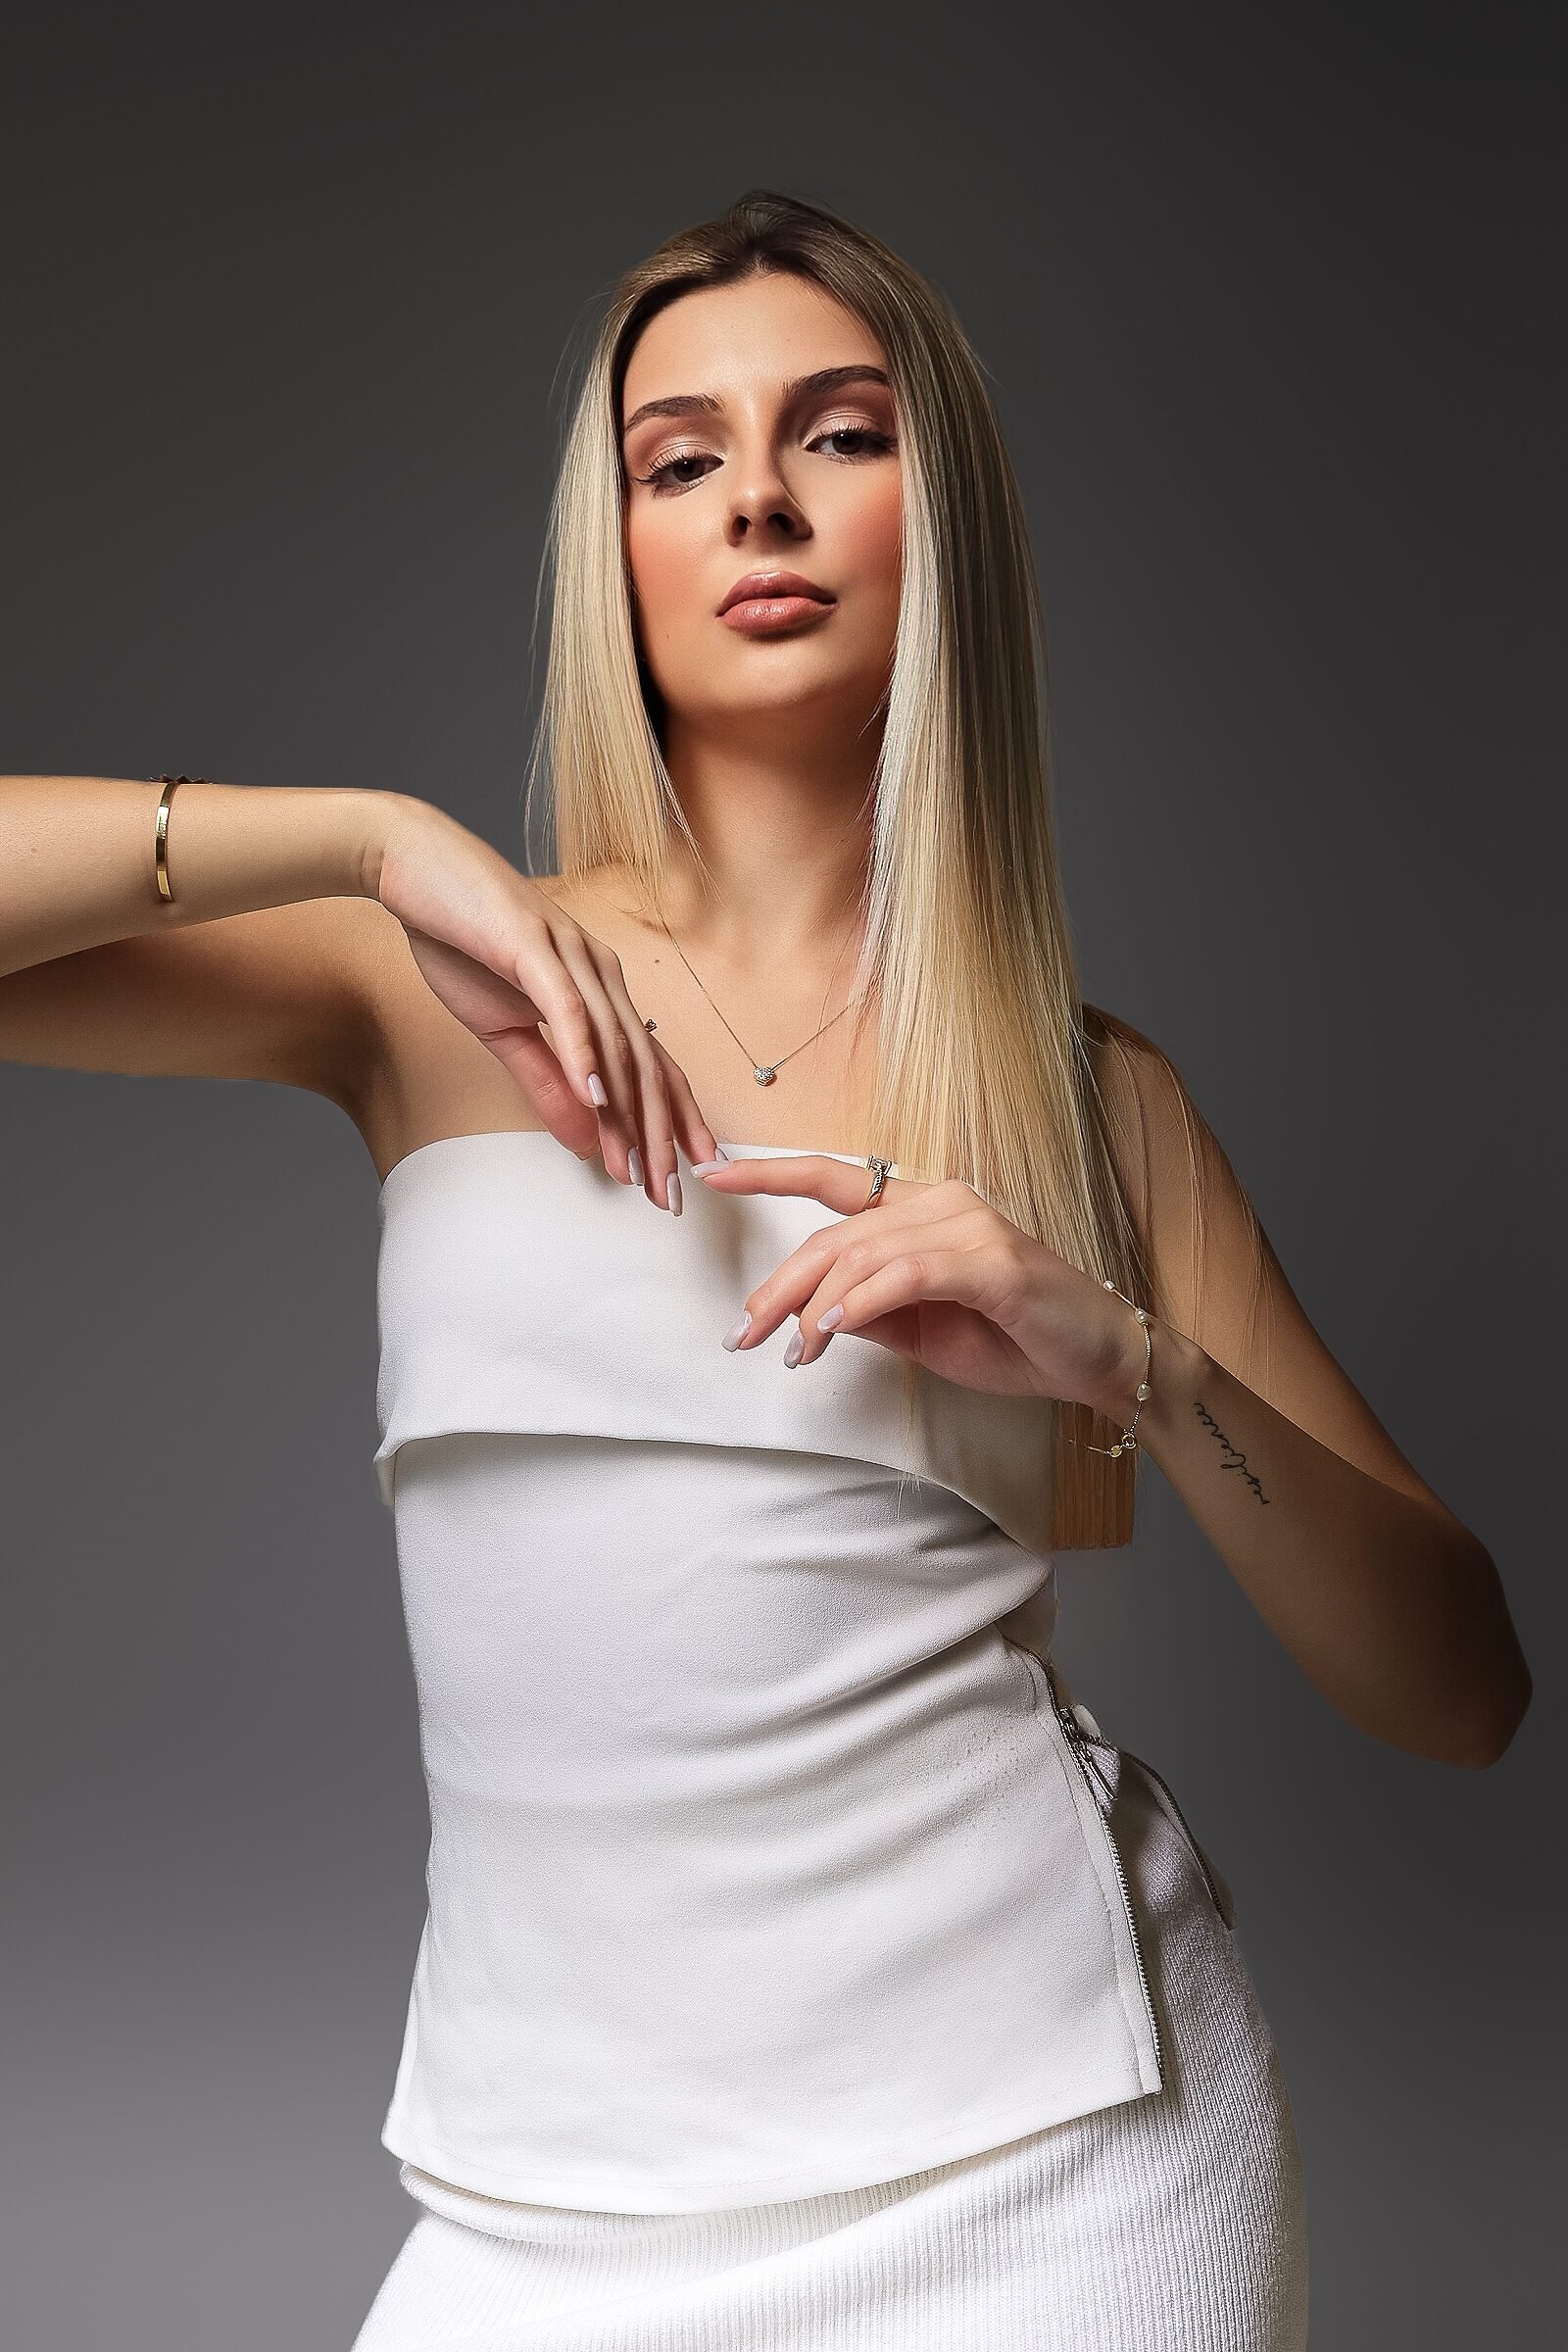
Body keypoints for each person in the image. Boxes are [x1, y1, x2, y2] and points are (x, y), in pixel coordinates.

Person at [0, 189, 1530, 2351]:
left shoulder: (1086, 1100)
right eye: (679, 458)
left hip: (1057, 2159)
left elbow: (1462, 1695)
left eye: (838, 434)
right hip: (547, 2191)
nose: (758, 503)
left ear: (938, 519)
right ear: (616, 548)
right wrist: (360, 835)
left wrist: (1138, 1370)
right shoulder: (424, 980)